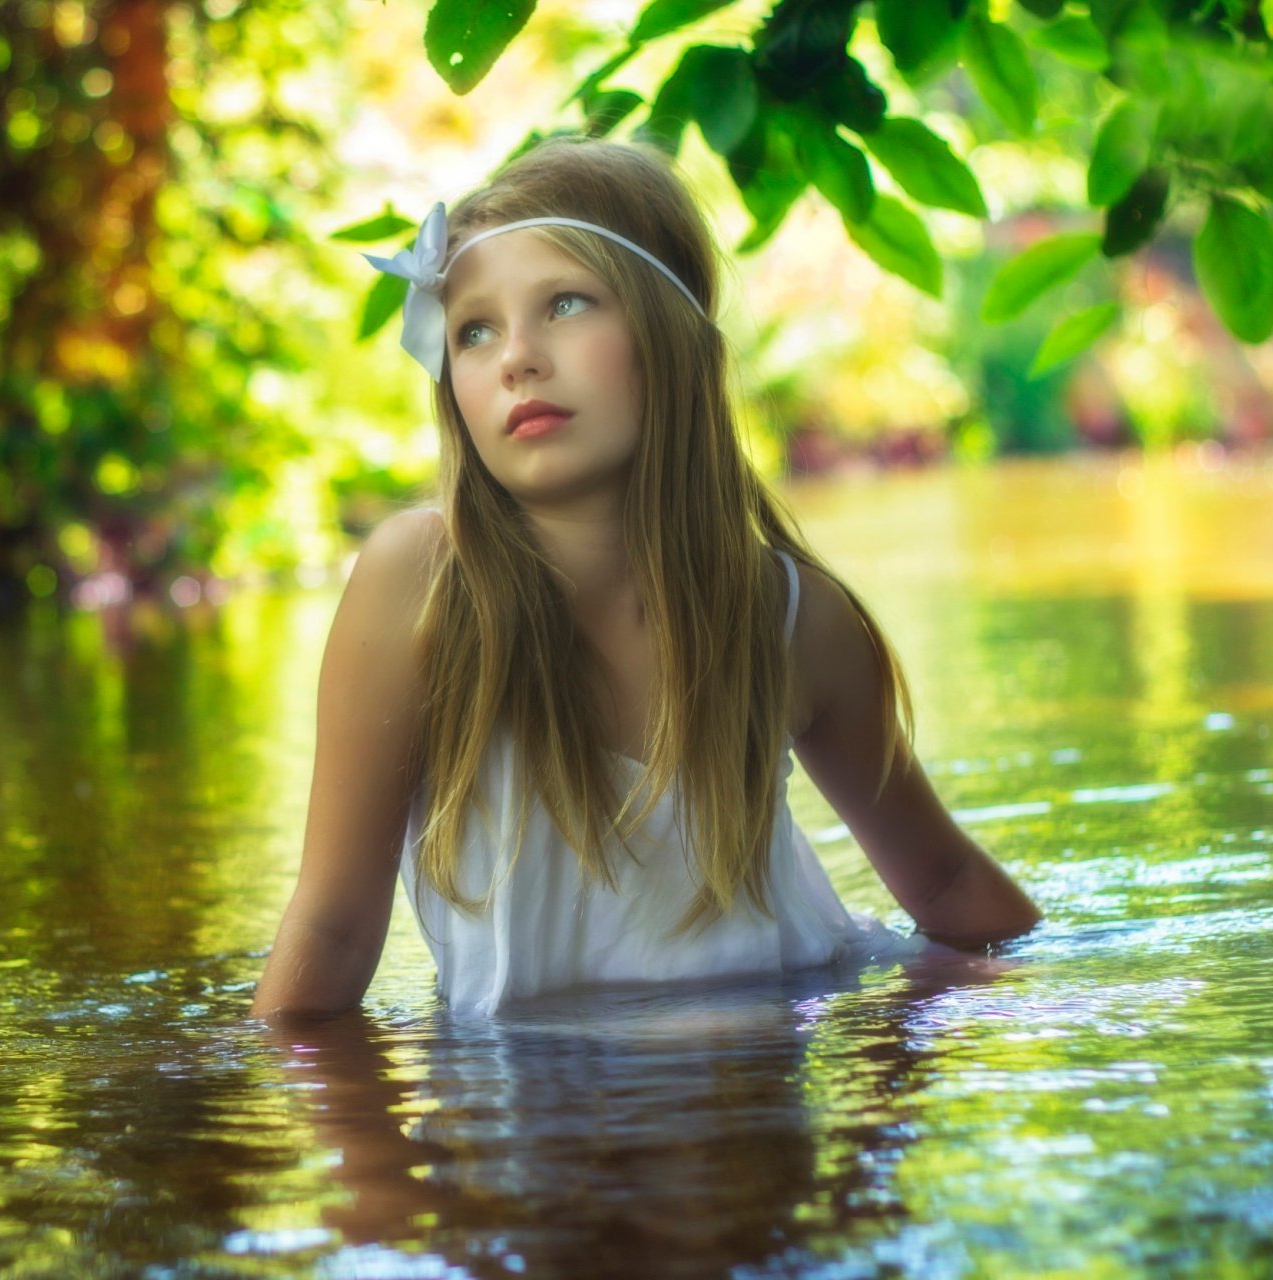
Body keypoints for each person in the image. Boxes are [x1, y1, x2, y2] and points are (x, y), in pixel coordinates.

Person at [250, 137, 1041, 1023]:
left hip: (755, 1088)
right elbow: (332, 932)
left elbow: (945, 881)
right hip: (526, 1120)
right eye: (475, 329)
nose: (517, 356)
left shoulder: (790, 619)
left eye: (566, 304)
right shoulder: (423, 585)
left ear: (669, 338)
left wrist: (874, 1138)